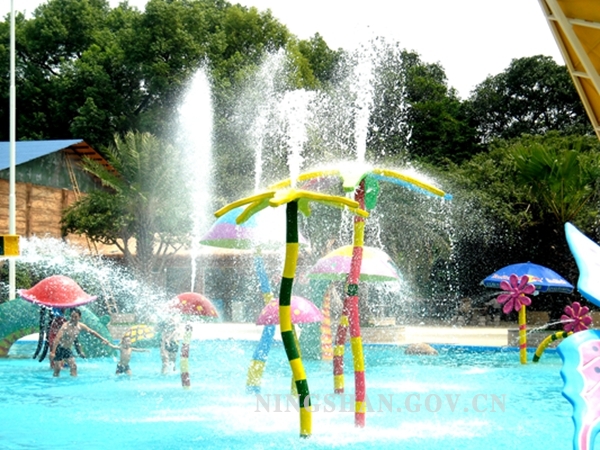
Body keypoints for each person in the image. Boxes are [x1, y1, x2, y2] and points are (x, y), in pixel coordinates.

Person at [50, 308, 114, 377]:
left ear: (79, 317)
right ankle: (55, 380)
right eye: (72, 316)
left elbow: (92, 332)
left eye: (75, 317)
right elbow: (57, 338)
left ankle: (73, 380)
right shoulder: (65, 326)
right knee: (57, 369)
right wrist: (53, 352)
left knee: (74, 366)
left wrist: (103, 339)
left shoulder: (80, 326)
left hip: (67, 349)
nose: (73, 319)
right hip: (60, 348)